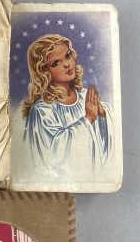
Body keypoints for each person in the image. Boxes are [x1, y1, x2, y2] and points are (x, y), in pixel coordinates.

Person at [21, 33, 111, 176]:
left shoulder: (85, 97)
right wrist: (87, 119)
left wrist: (103, 115)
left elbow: (106, 145)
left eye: (68, 56)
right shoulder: (42, 110)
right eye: (56, 63)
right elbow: (50, 156)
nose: (67, 64)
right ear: (44, 72)